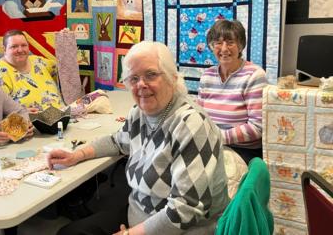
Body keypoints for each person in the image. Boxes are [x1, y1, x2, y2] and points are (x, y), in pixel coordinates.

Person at [47, 41, 230, 235]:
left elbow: (185, 210)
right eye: (133, 78)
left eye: (151, 74)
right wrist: (77, 155)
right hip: (140, 213)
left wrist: (129, 234)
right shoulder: (139, 112)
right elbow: (117, 141)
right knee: (70, 232)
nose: (141, 84)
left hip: (180, 229)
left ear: (172, 78)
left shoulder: (192, 124)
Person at [197, 19, 267, 164]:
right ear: (211, 46)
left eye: (230, 42)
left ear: (240, 45)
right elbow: (200, 116)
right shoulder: (207, 76)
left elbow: (257, 127)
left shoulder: (254, 75)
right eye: (218, 43)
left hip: (243, 151)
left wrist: (219, 137)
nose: (224, 49)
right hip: (212, 145)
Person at [0, 30, 63, 111]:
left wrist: (65, 39)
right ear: (4, 49)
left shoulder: (38, 61)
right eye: (14, 46)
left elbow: (65, 70)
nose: (20, 50)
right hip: (28, 122)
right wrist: (21, 112)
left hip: (64, 118)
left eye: (23, 45)